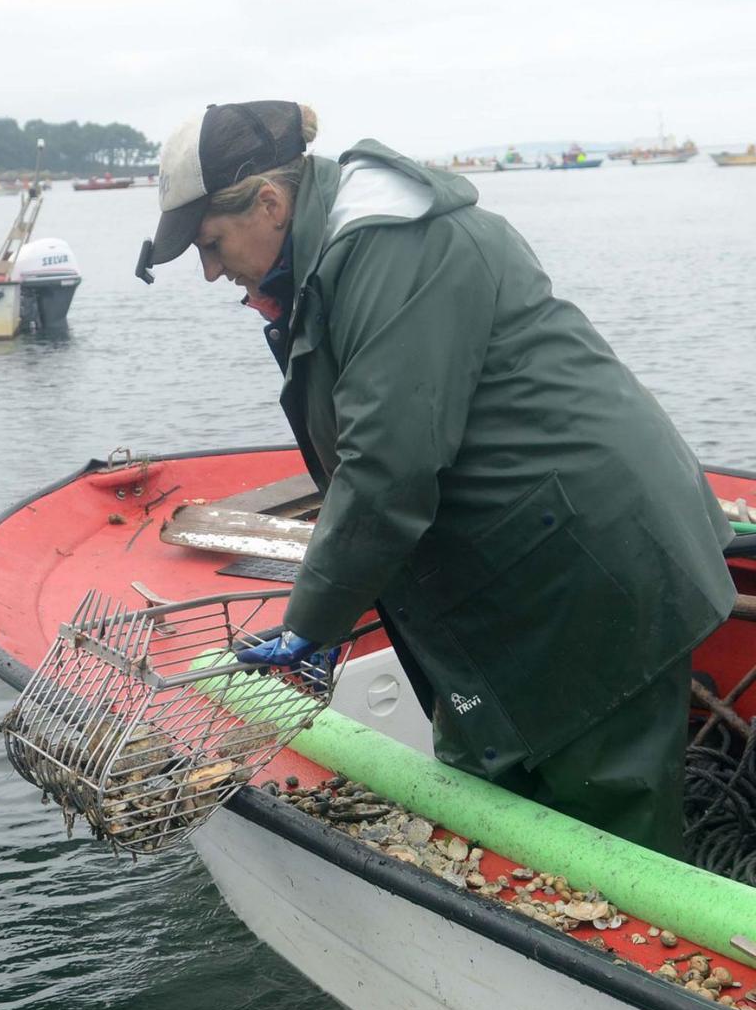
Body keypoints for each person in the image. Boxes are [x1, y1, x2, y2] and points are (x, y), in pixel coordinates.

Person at [135, 100, 736, 858]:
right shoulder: (334, 263)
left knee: (610, 833)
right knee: (501, 800)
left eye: (211, 243)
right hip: (528, 563)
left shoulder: (395, 248)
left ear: (270, 202)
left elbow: (387, 471)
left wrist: (312, 622)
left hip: (594, 563)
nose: (211, 268)